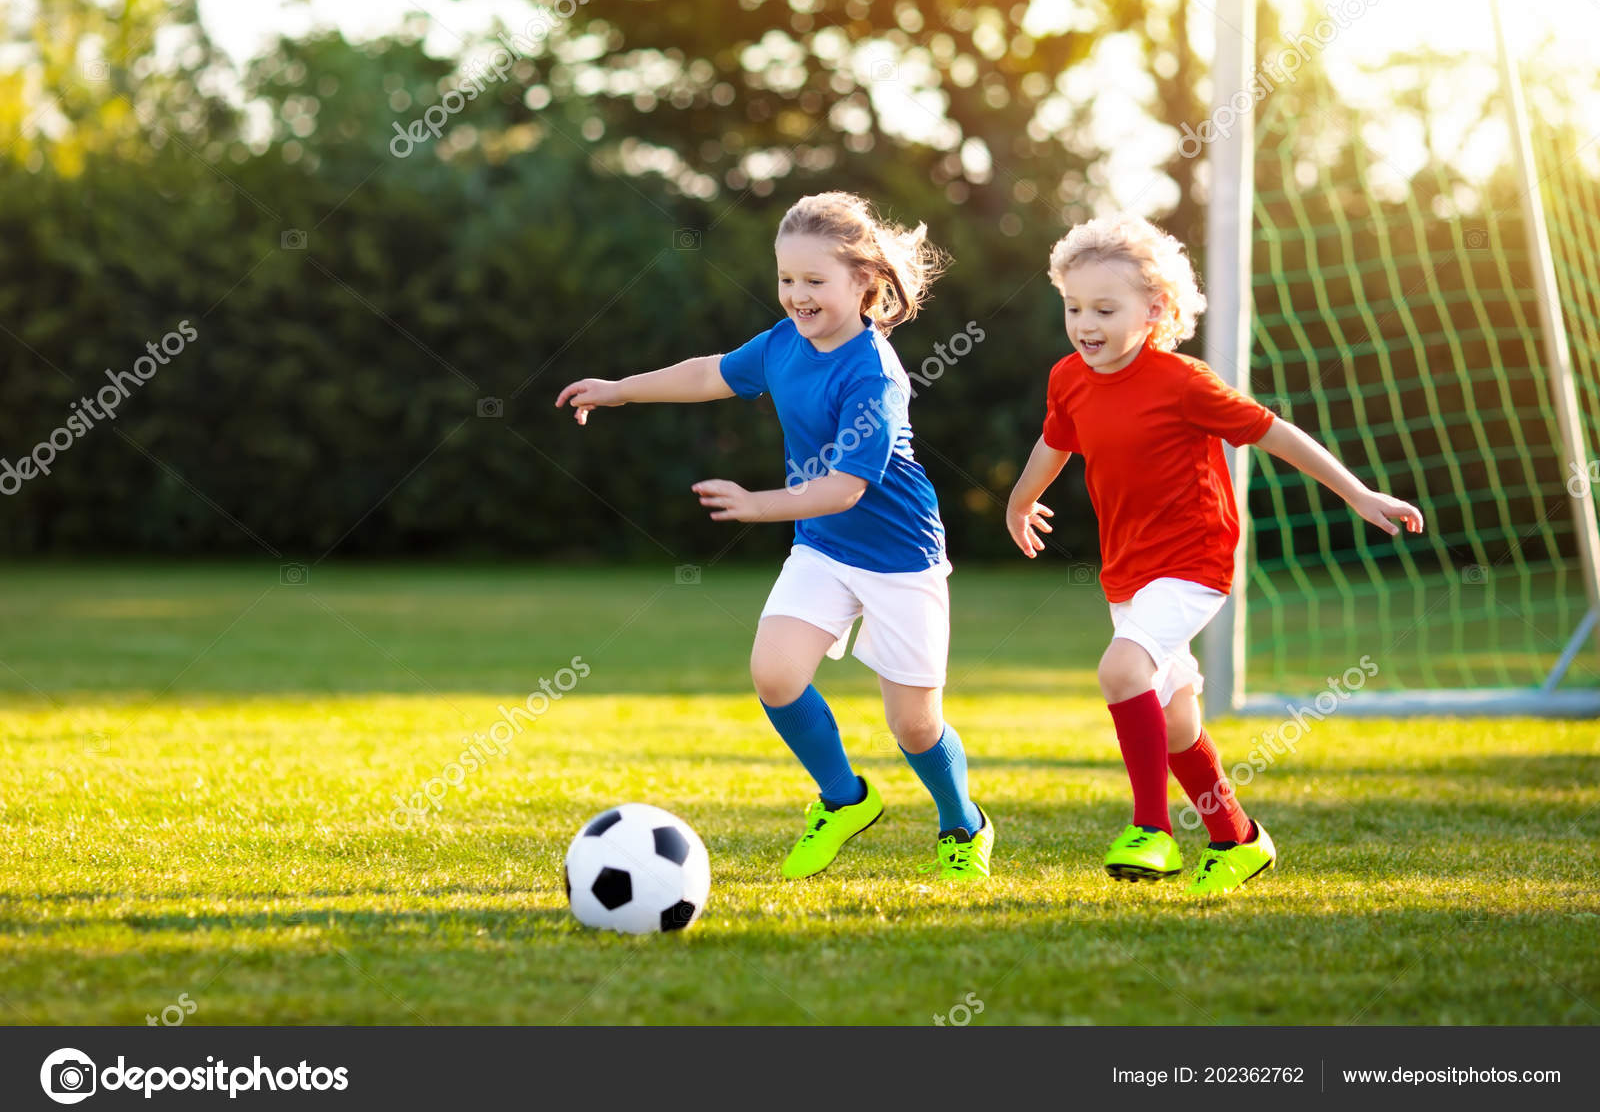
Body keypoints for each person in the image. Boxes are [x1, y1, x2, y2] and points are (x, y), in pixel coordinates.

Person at [556, 192, 994, 883]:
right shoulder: (784, 344)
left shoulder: (874, 375)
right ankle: (845, 798)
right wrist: (620, 390)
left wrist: (761, 504)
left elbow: (847, 487)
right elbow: (710, 372)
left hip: (899, 559)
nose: (797, 295)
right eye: (787, 279)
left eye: (814, 281)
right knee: (775, 673)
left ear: (865, 283)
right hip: (823, 547)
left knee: (913, 726)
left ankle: (962, 822)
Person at [1004, 214, 1423, 896]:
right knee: (1173, 719)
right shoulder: (1069, 378)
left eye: (1105, 308)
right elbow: (1054, 442)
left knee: (1121, 669)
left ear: (1156, 309)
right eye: (1073, 306)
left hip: (1194, 561)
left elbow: (1274, 432)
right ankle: (1238, 838)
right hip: (1127, 572)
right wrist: (1020, 502)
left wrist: (1357, 493)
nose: (1085, 322)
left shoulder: (1182, 381)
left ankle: (1152, 831)